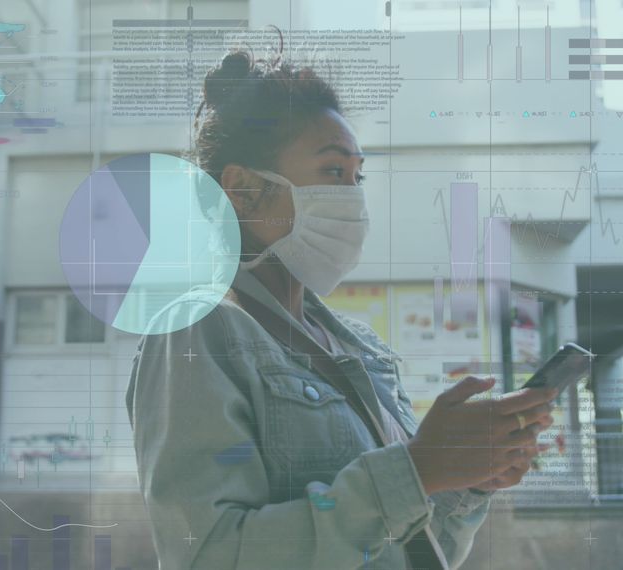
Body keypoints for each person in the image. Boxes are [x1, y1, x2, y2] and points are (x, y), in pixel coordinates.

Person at [125, 36, 558, 570]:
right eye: (333, 172)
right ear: (241, 188)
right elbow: (210, 555)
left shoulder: (359, 347)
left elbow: (417, 549)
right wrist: (418, 470)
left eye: (357, 176)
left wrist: (467, 479)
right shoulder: (196, 328)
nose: (352, 196)